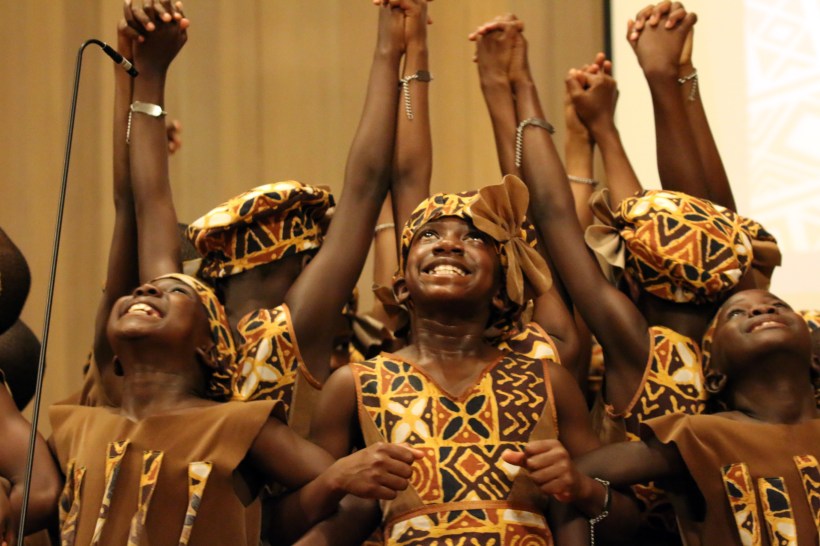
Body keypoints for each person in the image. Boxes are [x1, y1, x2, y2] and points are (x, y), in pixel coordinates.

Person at [308, 174, 638, 545]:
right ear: (402, 287)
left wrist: (582, 489)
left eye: (474, 237)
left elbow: (633, 529)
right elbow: (283, 527)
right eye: (428, 235)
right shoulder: (356, 384)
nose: (449, 244)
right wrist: (335, 478)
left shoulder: (548, 382)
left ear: (501, 291)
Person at [180, 0, 411, 439]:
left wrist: (141, 83)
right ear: (304, 264)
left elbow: (143, 206)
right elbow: (365, 184)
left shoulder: (187, 329)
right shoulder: (290, 327)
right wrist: (389, 47)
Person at [554, 289, 820, 546]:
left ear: (815, 359)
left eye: (780, 305)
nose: (763, 309)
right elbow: (577, 473)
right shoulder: (701, 435)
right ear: (715, 376)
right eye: (736, 314)